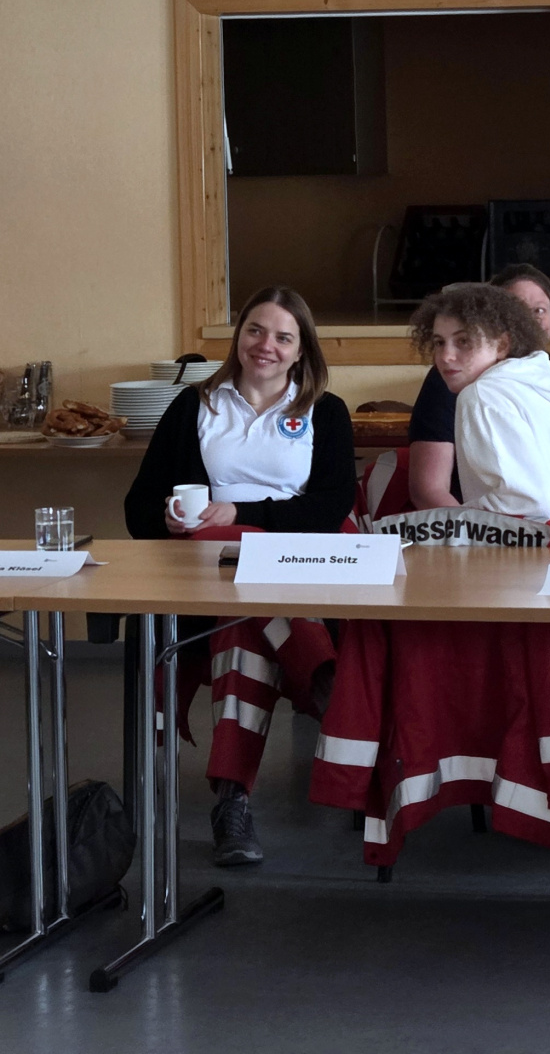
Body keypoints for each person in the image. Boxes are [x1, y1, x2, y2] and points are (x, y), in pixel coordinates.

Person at [125, 286, 356, 866]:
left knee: (241, 617)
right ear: (238, 337)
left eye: (283, 336)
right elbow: (139, 505)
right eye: (255, 330)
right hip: (208, 571)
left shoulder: (325, 410)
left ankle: (233, 802)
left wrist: (241, 514)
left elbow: (330, 507)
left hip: (296, 566)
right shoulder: (194, 405)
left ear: (301, 350)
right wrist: (169, 518)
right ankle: (321, 677)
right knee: (238, 589)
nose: (266, 345)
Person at [408, 284, 550, 545]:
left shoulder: (483, 393)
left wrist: (461, 519)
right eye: (439, 342)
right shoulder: (535, 386)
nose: (446, 356)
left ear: (502, 344)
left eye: (463, 341)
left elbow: (527, 501)